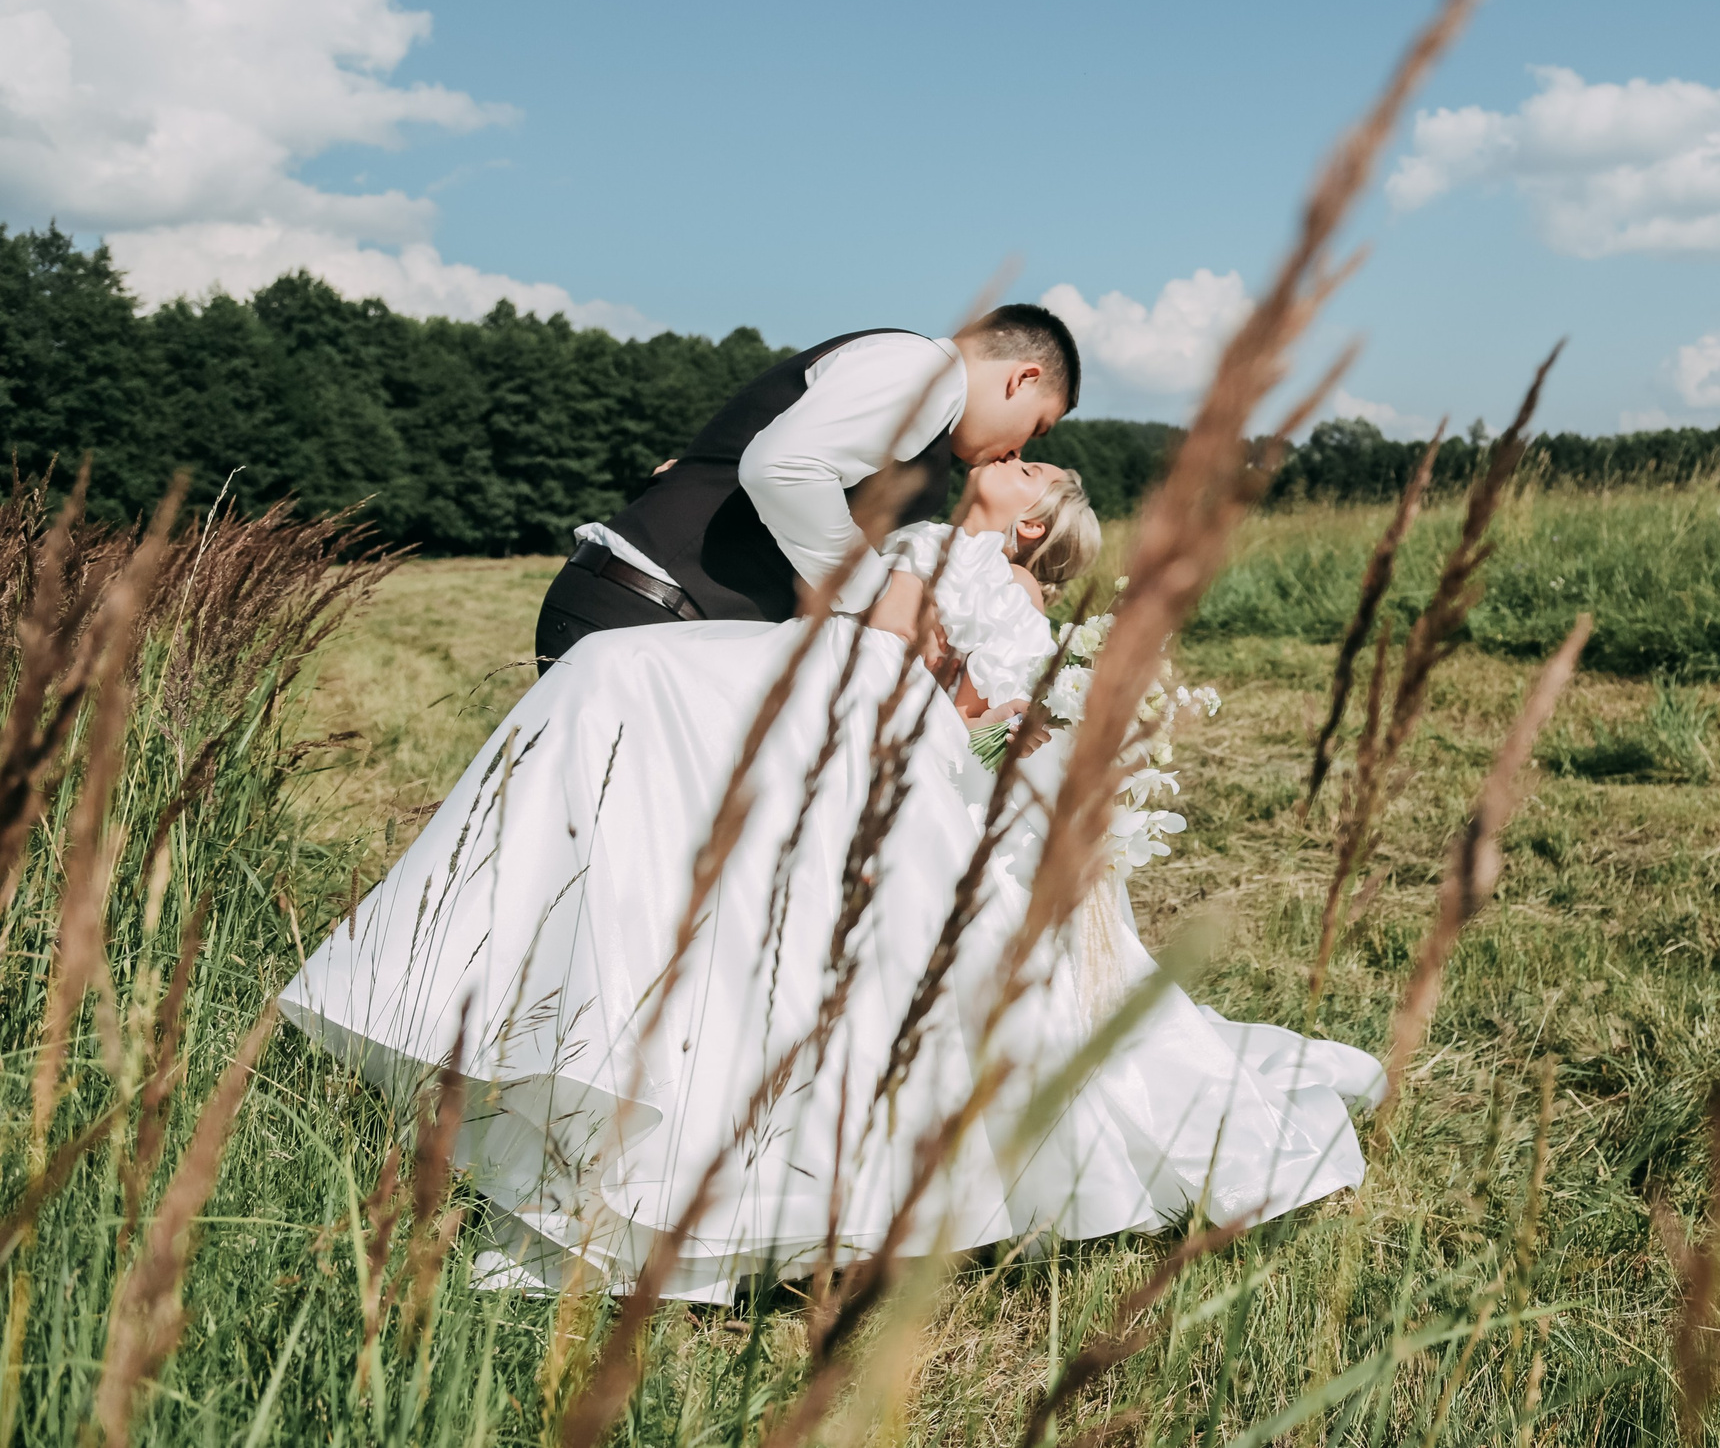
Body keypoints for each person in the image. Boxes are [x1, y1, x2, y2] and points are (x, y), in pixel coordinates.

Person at [281, 460, 1382, 1300]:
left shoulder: (980, 572)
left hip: (850, 698)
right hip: (836, 690)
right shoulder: (943, 547)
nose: (1017, 459)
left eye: (1038, 470)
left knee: (625, 677)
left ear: (1035, 523)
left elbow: (963, 695)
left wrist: (952, 715)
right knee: (639, 739)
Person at [532, 303, 1080, 672]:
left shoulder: (922, 410)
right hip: (645, 618)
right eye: (1037, 427)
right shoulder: (926, 374)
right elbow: (783, 469)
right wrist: (879, 595)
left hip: (660, 620)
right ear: (1023, 378)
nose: (1018, 451)